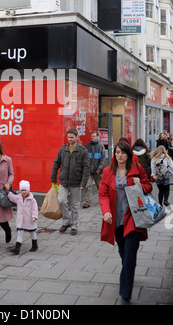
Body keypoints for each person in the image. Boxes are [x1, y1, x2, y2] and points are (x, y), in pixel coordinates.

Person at [99, 141, 152, 305]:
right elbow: (103, 194)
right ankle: (127, 269)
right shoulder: (108, 171)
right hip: (116, 219)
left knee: (130, 256)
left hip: (134, 217)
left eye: (122, 152)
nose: (119, 155)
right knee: (124, 252)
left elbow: (149, 186)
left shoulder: (137, 170)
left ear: (128, 154)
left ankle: (125, 295)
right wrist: (106, 211)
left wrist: (140, 185)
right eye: (117, 152)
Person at [51, 128, 90, 235]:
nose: (70, 139)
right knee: (62, 201)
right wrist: (53, 178)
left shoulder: (83, 151)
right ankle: (66, 221)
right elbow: (56, 163)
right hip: (63, 181)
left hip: (76, 183)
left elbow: (86, 168)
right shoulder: (62, 149)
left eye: (72, 137)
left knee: (75, 206)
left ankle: (74, 226)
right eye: (68, 137)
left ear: (77, 137)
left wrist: (83, 183)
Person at [7, 180, 38, 255]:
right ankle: (17, 248)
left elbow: (35, 209)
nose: (24, 192)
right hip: (21, 220)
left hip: (30, 220)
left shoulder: (32, 200)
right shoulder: (18, 198)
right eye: (22, 190)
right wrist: (8, 192)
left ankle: (35, 245)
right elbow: (12, 197)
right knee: (20, 233)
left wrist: (34, 217)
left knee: (32, 232)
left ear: (28, 190)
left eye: (25, 190)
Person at [83, 131, 106, 208]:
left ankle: (103, 200)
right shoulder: (87, 146)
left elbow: (103, 159)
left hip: (97, 170)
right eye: (91, 136)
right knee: (88, 186)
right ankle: (87, 202)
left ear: (97, 137)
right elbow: (84, 158)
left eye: (94, 136)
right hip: (89, 170)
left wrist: (99, 168)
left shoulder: (101, 146)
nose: (92, 138)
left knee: (100, 186)